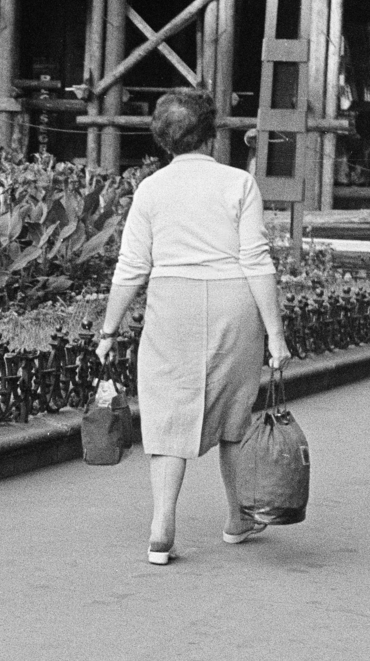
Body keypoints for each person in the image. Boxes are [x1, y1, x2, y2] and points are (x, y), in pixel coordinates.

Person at [96, 88, 292, 566]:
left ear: (164, 139)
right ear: (211, 132)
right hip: (234, 303)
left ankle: (162, 526)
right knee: (234, 414)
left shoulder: (151, 189)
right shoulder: (238, 184)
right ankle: (238, 517)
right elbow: (257, 261)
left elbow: (132, 267)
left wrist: (108, 330)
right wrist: (276, 334)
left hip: (172, 303)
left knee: (167, 410)